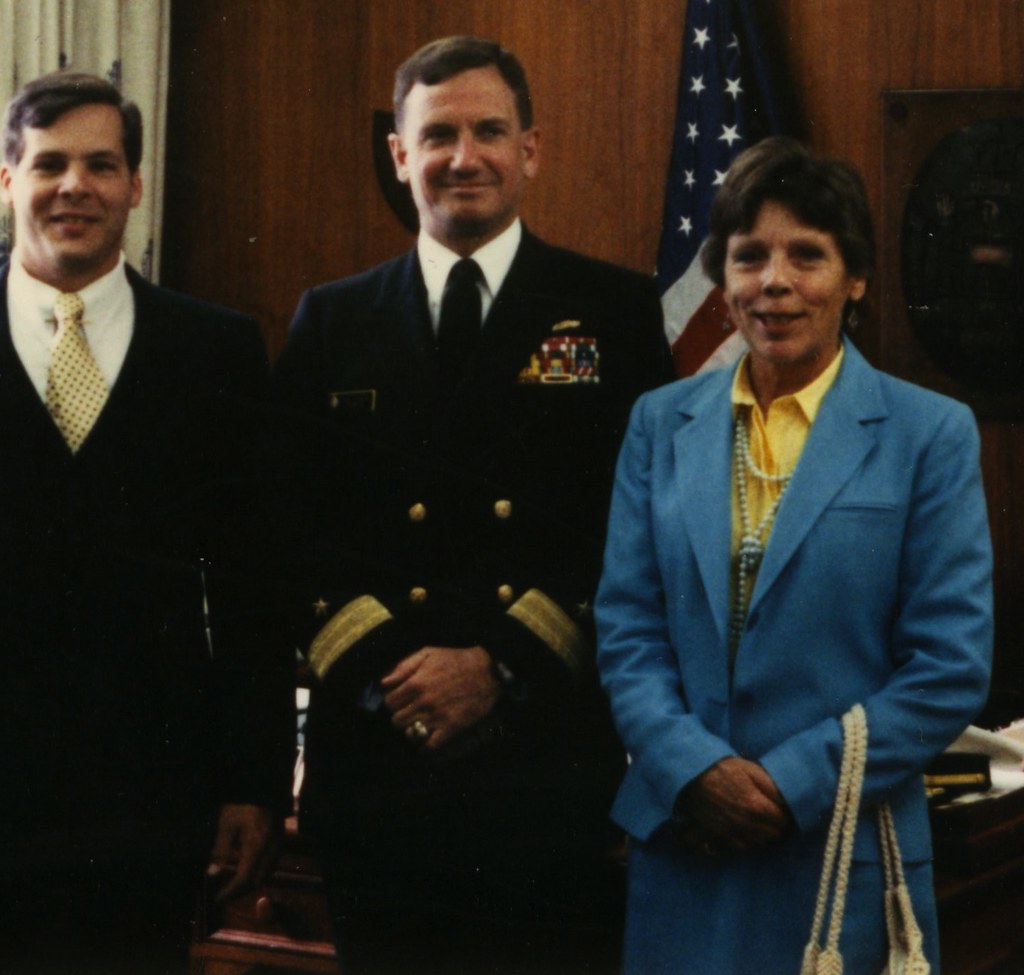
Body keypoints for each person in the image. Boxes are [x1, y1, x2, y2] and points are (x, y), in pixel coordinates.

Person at [267, 35, 673, 975]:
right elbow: (284, 531)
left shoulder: (611, 311)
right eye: (437, 133)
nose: (465, 155)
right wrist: (396, 672)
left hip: (541, 762)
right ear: (399, 155)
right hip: (376, 762)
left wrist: (497, 662)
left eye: (490, 130)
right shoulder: (332, 320)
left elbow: (639, 528)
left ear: (531, 148)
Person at [594, 136, 993, 975]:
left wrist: (787, 783)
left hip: (842, 857)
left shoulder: (930, 433)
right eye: (749, 256)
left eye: (806, 255)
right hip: (685, 846)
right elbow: (627, 628)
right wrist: (692, 767)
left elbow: (949, 665)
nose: (774, 282)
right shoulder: (659, 423)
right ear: (723, 277)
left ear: (856, 279)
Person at [0, 72, 293, 974]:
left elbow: (252, 588)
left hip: (148, 800)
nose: (74, 185)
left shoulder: (217, 350)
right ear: (7, 178)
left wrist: (253, 782)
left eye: (101, 163)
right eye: (49, 163)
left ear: (136, 184)